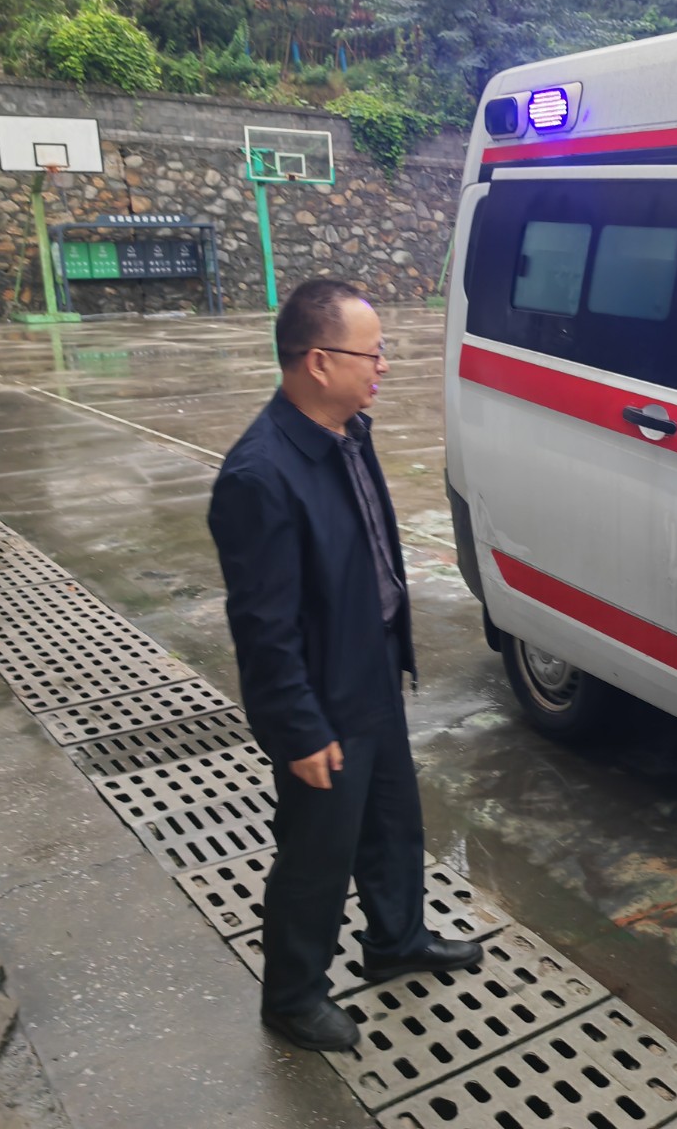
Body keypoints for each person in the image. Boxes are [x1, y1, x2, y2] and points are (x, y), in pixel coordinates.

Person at [207, 279, 482, 1054]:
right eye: (374, 352)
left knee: (393, 821)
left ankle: (396, 939)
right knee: (317, 851)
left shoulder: (347, 434)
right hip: (322, 698)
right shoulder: (261, 475)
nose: (384, 365)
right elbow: (264, 627)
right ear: (319, 362)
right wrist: (299, 729)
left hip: (373, 668)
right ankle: (293, 996)